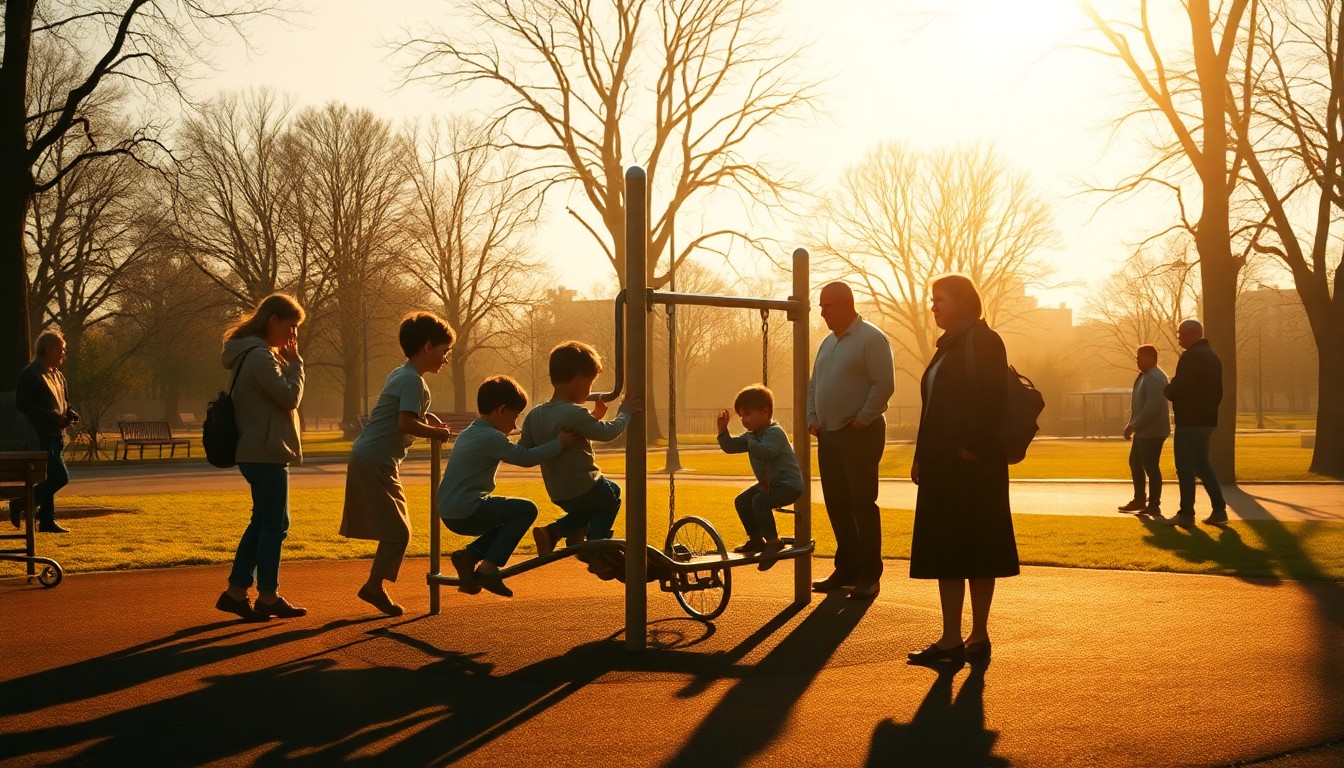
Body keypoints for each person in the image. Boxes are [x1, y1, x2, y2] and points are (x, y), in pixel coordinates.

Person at [907, 274, 1019, 667]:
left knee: (976, 549)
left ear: (963, 302)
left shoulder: (984, 340)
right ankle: (954, 638)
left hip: (973, 467)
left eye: (939, 299)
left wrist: (974, 447)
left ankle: (975, 635)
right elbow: (934, 407)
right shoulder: (948, 346)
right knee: (949, 550)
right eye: (932, 300)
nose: (933, 306)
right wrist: (921, 455)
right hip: (943, 466)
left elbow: (995, 400)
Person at [340, 312, 456, 617]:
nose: (446, 359)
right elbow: (405, 423)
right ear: (428, 346)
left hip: (378, 459)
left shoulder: (402, 374)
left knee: (397, 528)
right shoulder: (411, 381)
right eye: (445, 351)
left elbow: (403, 414)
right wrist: (437, 433)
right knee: (399, 531)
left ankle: (374, 586)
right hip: (374, 459)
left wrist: (427, 421)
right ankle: (374, 587)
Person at [438, 375, 577, 597]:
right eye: (515, 417)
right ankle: (488, 568)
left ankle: (470, 557)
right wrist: (559, 444)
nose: (515, 425)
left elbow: (515, 451)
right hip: (467, 510)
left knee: (506, 518)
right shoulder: (491, 438)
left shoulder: (471, 432)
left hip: (449, 510)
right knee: (525, 510)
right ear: (502, 410)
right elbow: (525, 458)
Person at [215, 293, 307, 622]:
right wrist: (296, 364)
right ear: (273, 320)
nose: (293, 335)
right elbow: (288, 397)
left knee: (262, 522)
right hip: (265, 451)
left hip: (259, 449)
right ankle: (267, 595)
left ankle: (236, 592)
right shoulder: (259, 356)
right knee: (275, 524)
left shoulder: (251, 353)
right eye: (291, 326)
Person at [806, 282, 895, 600]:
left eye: (827, 305)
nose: (822, 312)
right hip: (828, 434)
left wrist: (863, 418)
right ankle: (847, 568)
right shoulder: (827, 343)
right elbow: (814, 385)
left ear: (847, 304)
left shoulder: (871, 338)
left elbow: (884, 383)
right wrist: (811, 418)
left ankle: (870, 574)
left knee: (861, 503)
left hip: (860, 434)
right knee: (837, 504)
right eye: (820, 306)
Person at [521, 341, 640, 568]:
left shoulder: (535, 414)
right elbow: (608, 433)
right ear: (579, 382)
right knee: (610, 499)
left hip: (558, 491)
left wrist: (593, 416)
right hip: (583, 484)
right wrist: (625, 413)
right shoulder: (574, 412)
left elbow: (528, 447)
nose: (590, 391)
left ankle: (560, 532)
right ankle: (594, 547)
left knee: (604, 495)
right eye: (590, 384)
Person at [715, 385, 803, 570]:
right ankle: (756, 539)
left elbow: (767, 452)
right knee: (742, 500)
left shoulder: (775, 432)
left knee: (759, 501)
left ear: (765, 412)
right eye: (741, 416)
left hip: (788, 485)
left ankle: (773, 542)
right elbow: (730, 447)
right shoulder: (752, 435)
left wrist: (750, 440)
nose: (744, 420)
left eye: (747, 414)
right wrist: (723, 432)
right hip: (771, 484)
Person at [1162, 319, 1228, 526]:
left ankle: (1186, 513)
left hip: (1189, 420)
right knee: (1202, 465)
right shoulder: (1213, 357)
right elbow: (1218, 391)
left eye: (1180, 333)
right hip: (1207, 420)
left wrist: (1168, 388)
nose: (1179, 338)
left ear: (1192, 333)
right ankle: (1219, 510)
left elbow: (1179, 389)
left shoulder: (1190, 357)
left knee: (1185, 467)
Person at [13, 330, 79, 533]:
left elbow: (63, 403)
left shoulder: (57, 375)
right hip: (40, 434)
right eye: (60, 350)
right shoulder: (30, 374)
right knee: (59, 478)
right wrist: (54, 417)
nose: (62, 354)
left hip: (56, 434)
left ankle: (47, 520)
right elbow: (24, 405)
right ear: (48, 349)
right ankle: (21, 503)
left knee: (49, 477)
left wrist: (70, 413)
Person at [1118, 344, 1170, 516]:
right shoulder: (1146, 376)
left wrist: (1134, 425)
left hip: (1152, 432)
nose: (1137, 360)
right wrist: (1133, 424)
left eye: (1139, 357)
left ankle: (1154, 505)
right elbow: (1141, 404)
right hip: (1144, 431)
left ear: (1150, 358)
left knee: (1151, 467)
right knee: (1135, 462)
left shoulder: (1154, 377)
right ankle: (1140, 499)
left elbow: (1152, 407)